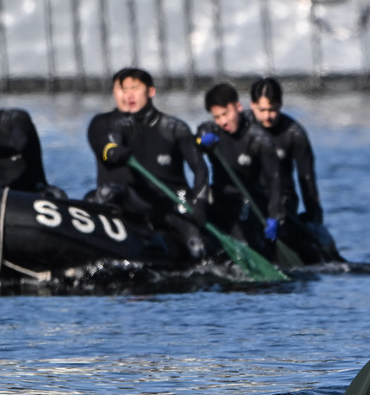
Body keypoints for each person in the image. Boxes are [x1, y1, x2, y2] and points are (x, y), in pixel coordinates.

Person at [86, 67, 209, 259]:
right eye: (124, 90)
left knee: (197, 247)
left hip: (173, 203)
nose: (129, 95)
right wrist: (113, 151)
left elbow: (200, 168)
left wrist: (199, 202)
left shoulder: (174, 127)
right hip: (133, 203)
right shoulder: (112, 124)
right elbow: (109, 144)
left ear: (151, 91)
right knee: (102, 195)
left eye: (134, 89)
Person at [247, 77, 324, 244]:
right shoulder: (241, 126)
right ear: (252, 105)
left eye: (272, 110)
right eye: (262, 110)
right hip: (248, 195)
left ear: (281, 105)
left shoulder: (294, 134)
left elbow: (307, 180)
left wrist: (314, 219)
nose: (267, 116)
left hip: (283, 201)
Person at [196, 82, 270, 245]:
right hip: (222, 196)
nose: (223, 121)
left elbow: (275, 179)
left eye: (225, 114)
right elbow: (196, 143)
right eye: (217, 117)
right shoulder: (211, 131)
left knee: (241, 233)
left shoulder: (257, 137)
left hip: (249, 199)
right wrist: (201, 141)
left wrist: (276, 216)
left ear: (238, 107)